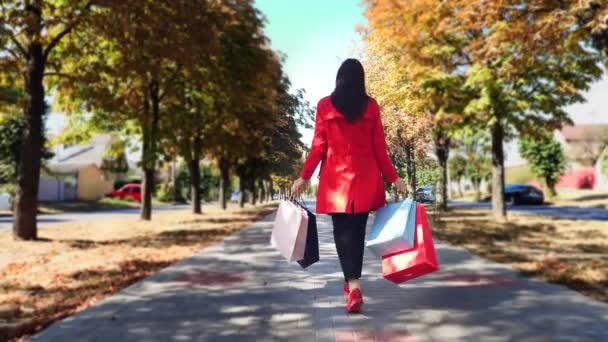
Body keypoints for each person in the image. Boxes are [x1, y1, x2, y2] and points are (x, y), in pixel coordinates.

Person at [291, 58, 406, 313]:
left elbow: (319, 147)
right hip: (365, 181)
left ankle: (353, 285)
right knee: (356, 235)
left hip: (336, 184)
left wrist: (304, 176)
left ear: (339, 79)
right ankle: (352, 283)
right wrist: (394, 178)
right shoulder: (372, 107)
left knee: (343, 237)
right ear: (361, 80)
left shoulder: (324, 106)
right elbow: (380, 149)